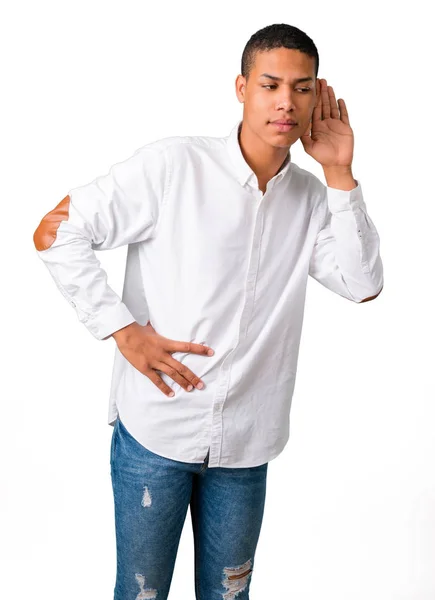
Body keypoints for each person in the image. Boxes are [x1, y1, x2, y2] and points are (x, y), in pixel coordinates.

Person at [33, 22, 383, 600]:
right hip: (157, 432)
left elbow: (363, 283)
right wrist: (121, 330)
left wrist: (340, 174)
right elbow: (54, 231)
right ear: (241, 87)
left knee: (229, 596)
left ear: (316, 95)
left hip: (247, 442)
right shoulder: (175, 167)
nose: (285, 102)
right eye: (271, 84)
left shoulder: (314, 199)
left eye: (301, 88)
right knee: (141, 593)